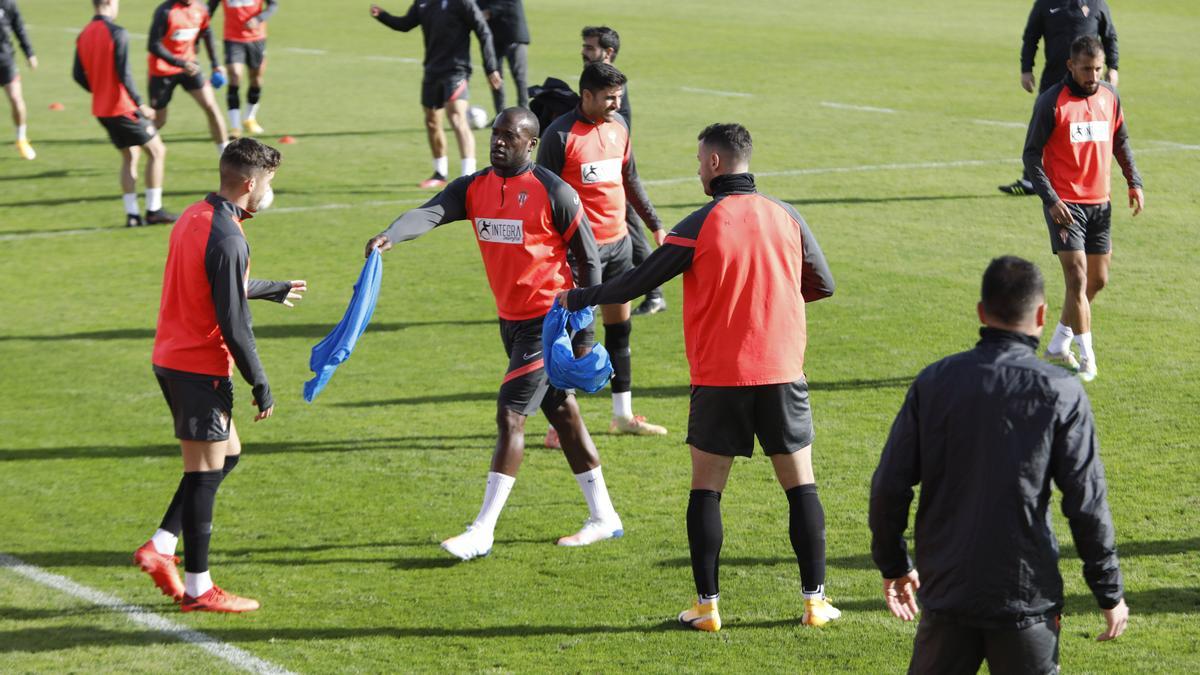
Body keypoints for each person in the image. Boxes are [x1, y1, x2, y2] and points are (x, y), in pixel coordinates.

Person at [557, 122, 840, 632]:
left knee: (707, 491)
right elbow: (823, 284)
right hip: (781, 372)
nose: (696, 169)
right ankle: (815, 603)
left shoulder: (700, 223)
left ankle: (707, 608)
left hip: (719, 379)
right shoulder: (787, 215)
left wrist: (575, 298)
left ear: (714, 164)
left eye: (697, 161)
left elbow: (638, 281)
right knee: (801, 487)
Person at [365, 107, 625, 561]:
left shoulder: (554, 191)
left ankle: (482, 530)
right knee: (563, 415)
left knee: (510, 415)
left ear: (530, 143)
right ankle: (604, 516)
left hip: (549, 322)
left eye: (510, 136)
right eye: (496, 133)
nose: (498, 141)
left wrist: (583, 332)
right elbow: (430, 213)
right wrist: (390, 235)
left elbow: (589, 260)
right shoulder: (475, 187)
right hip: (510, 320)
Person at [869, 255, 1128, 674]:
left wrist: (894, 564)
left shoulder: (934, 382)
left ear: (981, 312)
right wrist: (1108, 590)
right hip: (1024, 596)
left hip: (949, 591)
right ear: (1043, 314)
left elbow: (889, 487)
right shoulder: (1061, 391)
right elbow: (1086, 501)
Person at [134, 137, 306, 613]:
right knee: (205, 469)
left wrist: (271, 288)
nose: (269, 190)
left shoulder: (196, 215)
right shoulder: (230, 237)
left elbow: (211, 280)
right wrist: (260, 381)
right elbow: (233, 322)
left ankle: (162, 545)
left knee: (225, 454)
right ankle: (198, 588)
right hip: (198, 367)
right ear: (251, 183)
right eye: (269, 181)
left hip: (171, 356)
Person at [538, 62, 668, 447]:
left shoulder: (619, 129)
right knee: (579, 333)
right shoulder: (559, 136)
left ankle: (622, 415)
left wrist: (655, 224)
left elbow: (630, 181)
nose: (616, 104)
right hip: (581, 253)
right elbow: (545, 198)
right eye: (609, 97)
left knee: (619, 330)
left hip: (619, 246)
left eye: (619, 97)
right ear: (587, 95)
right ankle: (559, 426)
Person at [1023, 34, 1142, 382]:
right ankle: (1088, 357)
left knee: (1097, 280)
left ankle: (1058, 344)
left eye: (1098, 69)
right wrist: (1052, 200)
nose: (1093, 76)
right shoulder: (1051, 102)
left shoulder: (1110, 96)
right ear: (1070, 66)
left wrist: (1134, 181)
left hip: (1100, 203)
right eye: (1086, 69)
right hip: (1065, 204)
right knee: (1076, 277)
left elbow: (1120, 140)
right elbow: (1031, 155)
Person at [370, 1, 502, 189]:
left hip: (457, 69)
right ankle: (440, 173)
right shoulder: (423, 3)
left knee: (457, 117)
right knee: (432, 121)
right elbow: (405, 24)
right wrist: (382, 15)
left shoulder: (463, 3)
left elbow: (483, 31)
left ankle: (468, 176)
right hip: (432, 70)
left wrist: (491, 68)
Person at [580, 25, 664, 316]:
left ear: (608, 52)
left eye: (590, 47)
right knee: (630, 232)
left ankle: (654, 292)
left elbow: (617, 124)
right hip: (602, 170)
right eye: (585, 46)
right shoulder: (595, 83)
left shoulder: (614, 90)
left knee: (631, 234)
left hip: (610, 171)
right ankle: (651, 291)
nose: (584, 52)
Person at [1000, 0, 1120, 196]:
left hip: (1088, 84)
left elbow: (1109, 36)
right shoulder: (1045, 3)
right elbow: (1031, 36)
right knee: (1040, 130)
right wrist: (1026, 69)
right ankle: (1031, 181)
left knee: (1085, 131)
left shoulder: (1096, 3)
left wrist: (1113, 67)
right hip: (1054, 81)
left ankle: (1082, 180)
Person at [74, 0, 176, 228]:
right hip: (122, 107)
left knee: (130, 156)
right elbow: (124, 74)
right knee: (157, 151)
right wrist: (140, 104)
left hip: (101, 109)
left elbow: (78, 75)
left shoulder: (83, 34)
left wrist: (99, 90)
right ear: (110, 2)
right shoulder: (117, 32)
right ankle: (154, 210)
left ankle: (132, 215)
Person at [147, 0, 229, 154]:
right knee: (159, 120)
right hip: (162, 71)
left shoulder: (201, 9)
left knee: (211, 106)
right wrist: (180, 63)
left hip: (190, 67)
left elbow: (206, 32)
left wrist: (216, 64)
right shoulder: (165, 11)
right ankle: (134, 149)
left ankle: (226, 155)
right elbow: (153, 45)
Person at [206, 0, 276, 137]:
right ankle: (235, 126)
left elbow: (273, 5)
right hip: (233, 39)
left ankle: (249, 118)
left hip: (257, 38)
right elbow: (209, 10)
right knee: (235, 76)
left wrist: (258, 18)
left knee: (256, 79)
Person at [479, 0, 528, 115]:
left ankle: (525, 112)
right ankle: (500, 115)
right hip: (493, 38)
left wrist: (488, 11)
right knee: (494, 76)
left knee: (519, 76)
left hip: (514, 33)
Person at [0, 0, 36, 159]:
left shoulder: (8, 3)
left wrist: (29, 53)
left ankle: (21, 139)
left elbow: (19, 27)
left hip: (5, 61)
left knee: (16, 99)